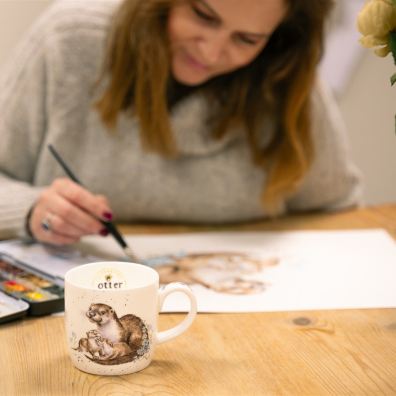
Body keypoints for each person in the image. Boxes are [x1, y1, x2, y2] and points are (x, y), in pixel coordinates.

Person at [0, 0, 362, 246]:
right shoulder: (68, 40)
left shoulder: (288, 80)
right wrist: (34, 211)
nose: (210, 52)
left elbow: (336, 212)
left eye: (247, 39)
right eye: (203, 16)